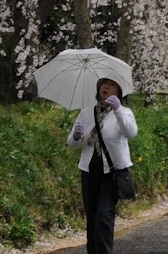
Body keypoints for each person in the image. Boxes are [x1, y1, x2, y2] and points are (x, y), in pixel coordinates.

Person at [67, 75, 138, 254]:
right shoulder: (86, 111)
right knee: (91, 216)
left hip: (112, 171)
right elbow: (73, 143)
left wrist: (118, 110)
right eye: (104, 84)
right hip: (90, 169)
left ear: (118, 92)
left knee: (104, 216)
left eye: (112, 85)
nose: (106, 88)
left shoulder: (124, 112)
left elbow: (131, 132)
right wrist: (76, 135)